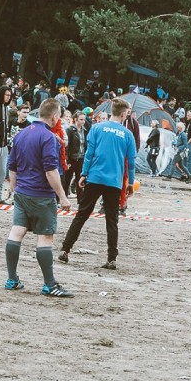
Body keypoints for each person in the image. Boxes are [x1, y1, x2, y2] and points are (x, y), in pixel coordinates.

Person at [4, 98, 74, 297]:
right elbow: (51, 171)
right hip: (42, 196)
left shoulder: (21, 134)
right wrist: (62, 196)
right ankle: (50, 285)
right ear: (54, 117)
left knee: (16, 233)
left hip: (22, 194)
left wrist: (15, 190)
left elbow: (12, 167)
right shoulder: (48, 138)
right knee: (45, 238)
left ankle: (12, 279)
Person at [58, 98, 136, 270]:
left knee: (82, 214)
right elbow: (131, 161)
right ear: (123, 114)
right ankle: (111, 258)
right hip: (114, 182)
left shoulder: (97, 128)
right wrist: (130, 182)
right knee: (112, 220)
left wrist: (84, 173)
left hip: (95, 177)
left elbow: (89, 153)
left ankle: (65, 249)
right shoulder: (127, 134)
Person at [64, 111, 87, 197]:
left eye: (84, 120)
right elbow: (67, 146)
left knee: (79, 178)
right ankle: (64, 196)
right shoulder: (70, 130)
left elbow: (84, 144)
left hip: (81, 157)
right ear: (75, 119)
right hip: (72, 158)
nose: (83, 121)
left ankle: (80, 199)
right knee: (68, 178)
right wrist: (67, 159)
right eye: (81, 119)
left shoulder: (83, 130)